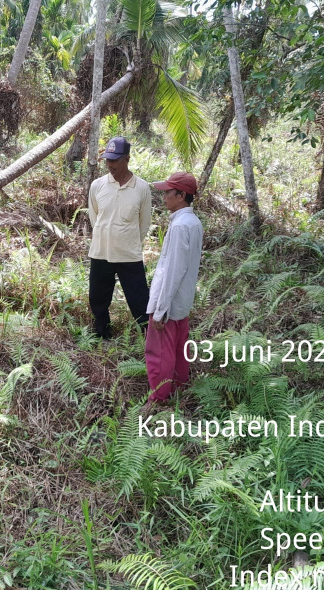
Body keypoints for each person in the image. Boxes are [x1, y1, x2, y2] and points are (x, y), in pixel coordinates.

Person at [144, 172, 203, 406]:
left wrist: (160, 309)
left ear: (181, 195)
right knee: (179, 347)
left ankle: (158, 398)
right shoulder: (193, 222)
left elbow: (173, 270)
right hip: (183, 300)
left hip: (169, 301)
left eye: (168, 192)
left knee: (159, 352)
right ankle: (179, 386)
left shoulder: (180, 226)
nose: (164, 196)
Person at [88, 136, 152, 339]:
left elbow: (144, 223)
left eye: (114, 160)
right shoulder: (97, 186)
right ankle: (102, 334)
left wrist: (128, 239)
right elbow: (94, 217)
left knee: (139, 298)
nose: (109, 164)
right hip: (101, 252)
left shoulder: (141, 188)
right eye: (107, 159)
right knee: (98, 297)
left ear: (127, 159)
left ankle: (149, 336)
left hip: (129, 254)